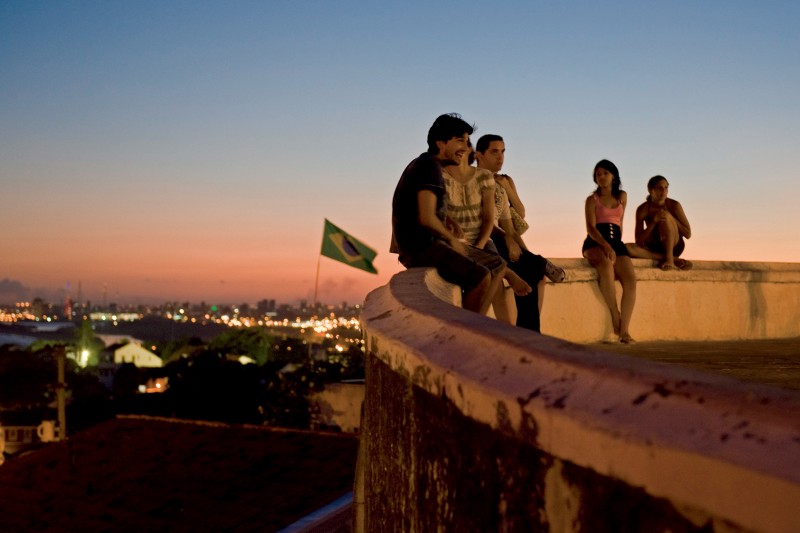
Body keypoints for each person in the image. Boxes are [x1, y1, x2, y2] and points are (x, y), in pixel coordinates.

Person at [391, 113, 506, 315]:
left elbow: (426, 208)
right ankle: (468, 330)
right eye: (459, 140)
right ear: (441, 143)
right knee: (480, 277)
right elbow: (426, 218)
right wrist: (452, 239)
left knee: (496, 263)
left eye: (467, 141)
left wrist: (448, 221)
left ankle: (478, 323)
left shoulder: (427, 165)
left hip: (427, 243)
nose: (465, 148)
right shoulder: (428, 166)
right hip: (421, 247)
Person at [442, 142, 532, 325]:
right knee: (492, 269)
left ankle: (479, 321)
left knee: (497, 265)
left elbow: (489, 219)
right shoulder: (442, 176)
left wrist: (480, 246)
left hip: (482, 236)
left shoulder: (484, 177)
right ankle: (481, 320)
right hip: (459, 239)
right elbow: (440, 213)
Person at [474, 134, 557, 333]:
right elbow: (485, 222)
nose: (500, 157)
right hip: (486, 241)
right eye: (494, 152)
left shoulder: (503, 183)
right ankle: (523, 334)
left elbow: (515, 217)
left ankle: (528, 333)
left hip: (505, 237)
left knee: (535, 272)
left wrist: (506, 187)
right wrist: (509, 240)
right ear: (479, 155)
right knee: (529, 270)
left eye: (503, 152)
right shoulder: (473, 180)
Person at [582, 159, 637, 344]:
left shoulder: (622, 196)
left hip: (616, 243)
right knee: (606, 266)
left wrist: (616, 246)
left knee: (630, 279)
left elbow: (620, 223)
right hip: (595, 241)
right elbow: (590, 227)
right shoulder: (592, 200)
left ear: (614, 175)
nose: (602, 177)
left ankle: (625, 331)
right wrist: (606, 246)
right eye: (598, 174)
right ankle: (615, 315)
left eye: (605, 173)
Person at [627, 175, 692, 271]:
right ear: (651, 190)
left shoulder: (674, 205)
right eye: (660, 188)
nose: (664, 191)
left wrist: (672, 219)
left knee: (665, 217)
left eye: (666, 187)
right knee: (627, 248)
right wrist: (653, 221)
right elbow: (639, 240)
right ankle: (671, 259)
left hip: (674, 245)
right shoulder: (643, 209)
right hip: (654, 247)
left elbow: (688, 234)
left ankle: (670, 259)